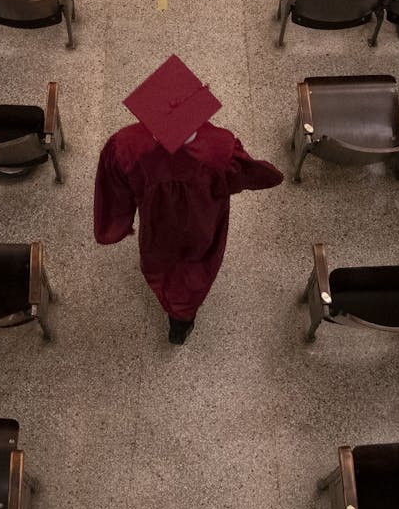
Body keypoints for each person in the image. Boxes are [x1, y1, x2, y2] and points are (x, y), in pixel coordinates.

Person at [94, 55, 283, 344]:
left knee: (161, 263)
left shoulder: (125, 145)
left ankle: (176, 312)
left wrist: (117, 225)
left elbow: (114, 193)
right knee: (197, 266)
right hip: (203, 222)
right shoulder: (221, 146)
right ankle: (181, 321)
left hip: (157, 225)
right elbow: (251, 175)